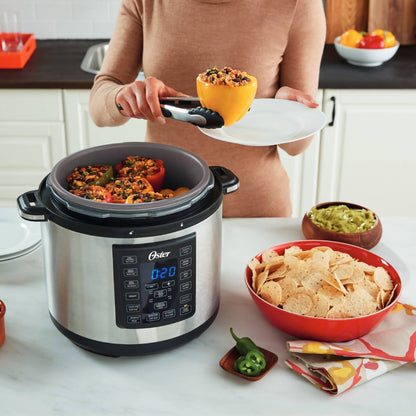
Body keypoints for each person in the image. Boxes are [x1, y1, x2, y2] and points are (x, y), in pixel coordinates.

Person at [89, 0, 326, 217]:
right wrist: (121, 97)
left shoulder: (298, 4)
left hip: (254, 212)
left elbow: (298, 146)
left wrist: (286, 112)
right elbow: (99, 105)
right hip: (162, 205)